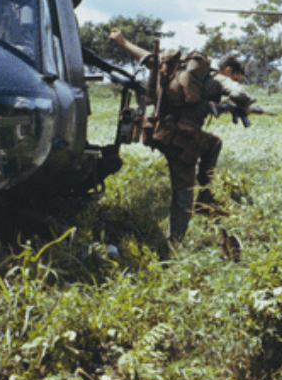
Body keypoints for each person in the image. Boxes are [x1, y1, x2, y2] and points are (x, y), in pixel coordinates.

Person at [109, 28, 256, 247]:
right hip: (181, 140)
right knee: (184, 193)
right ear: (227, 69)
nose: (234, 79)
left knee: (213, 143)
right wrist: (246, 106)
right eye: (236, 76)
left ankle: (205, 194)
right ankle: (172, 244)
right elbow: (239, 93)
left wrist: (122, 42)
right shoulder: (217, 78)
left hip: (160, 130)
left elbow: (148, 57)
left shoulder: (177, 69)